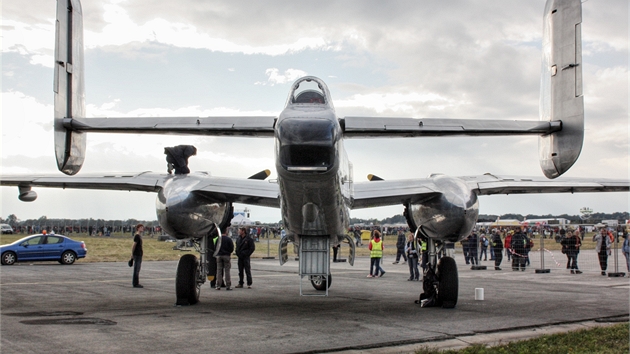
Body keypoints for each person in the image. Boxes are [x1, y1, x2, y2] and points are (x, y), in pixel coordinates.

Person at [131, 224, 144, 288]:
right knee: (136, 269)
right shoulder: (137, 236)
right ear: (138, 228)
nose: (142, 228)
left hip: (139, 254)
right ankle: (135, 283)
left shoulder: (139, 236)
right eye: (141, 227)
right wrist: (132, 254)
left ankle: (136, 282)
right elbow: (134, 245)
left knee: (137, 269)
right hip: (137, 254)